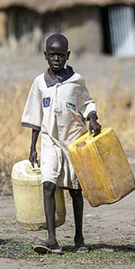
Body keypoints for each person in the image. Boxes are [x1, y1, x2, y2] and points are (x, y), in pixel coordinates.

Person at [21, 33, 101, 254]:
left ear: (67, 55)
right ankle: (51, 239)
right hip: (49, 141)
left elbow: (87, 103)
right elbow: (35, 117)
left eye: (60, 54)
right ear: (45, 55)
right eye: (52, 54)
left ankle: (79, 237)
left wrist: (93, 118)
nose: (56, 58)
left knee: (75, 190)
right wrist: (32, 148)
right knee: (48, 184)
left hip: (74, 140)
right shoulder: (39, 83)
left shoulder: (76, 81)